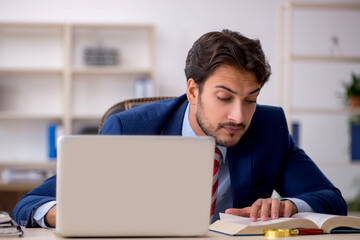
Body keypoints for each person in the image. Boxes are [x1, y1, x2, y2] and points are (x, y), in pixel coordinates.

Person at [13, 29, 347, 228]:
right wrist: (70, 215)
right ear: (192, 91)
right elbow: (31, 203)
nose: (238, 115)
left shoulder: (269, 127)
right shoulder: (131, 129)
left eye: (250, 99)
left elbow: (332, 199)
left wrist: (288, 205)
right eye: (224, 97)